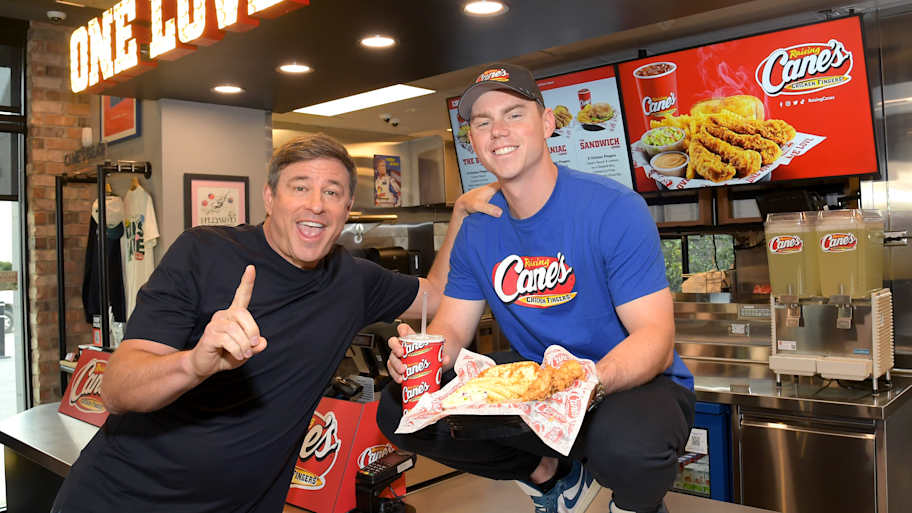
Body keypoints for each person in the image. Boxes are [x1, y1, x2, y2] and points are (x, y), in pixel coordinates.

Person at [51, 133, 497, 513]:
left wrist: (460, 215)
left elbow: (436, 293)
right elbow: (117, 388)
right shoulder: (203, 252)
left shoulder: (353, 280)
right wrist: (194, 364)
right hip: (122, 498)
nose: (316, 205)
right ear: (269, 197)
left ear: (346, 209)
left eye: (333, 192)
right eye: (300, 187)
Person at [377, 64, 696, 513]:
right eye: (482, 122)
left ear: (547, 124)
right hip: (537, 383)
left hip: (627, 381)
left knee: (628, 447)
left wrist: (584, 385)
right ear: (472, 141)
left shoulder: (613, 208)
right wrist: (422, 357)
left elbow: (655, 341)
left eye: (514, 114)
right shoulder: (479, 229)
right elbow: (451, 327)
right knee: (399, 411)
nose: (497, 131)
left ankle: (633, 506)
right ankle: (553, 480)